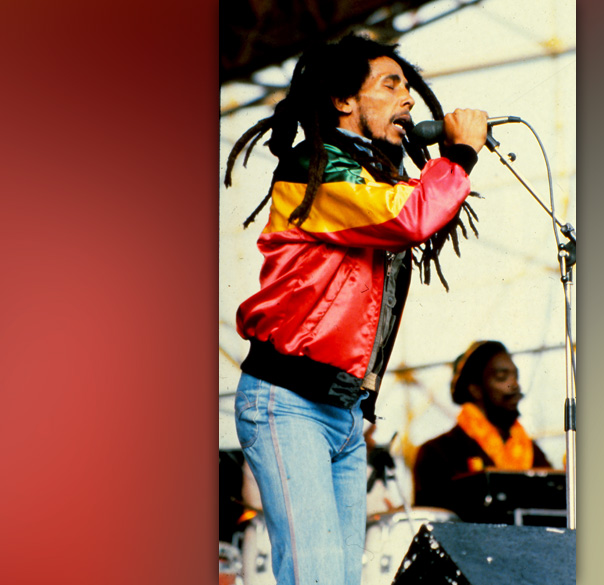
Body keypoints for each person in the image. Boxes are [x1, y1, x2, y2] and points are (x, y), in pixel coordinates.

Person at [223, 32, 488, 585]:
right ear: (344, 100)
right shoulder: (315, 169)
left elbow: (415, 207)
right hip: (289, 402)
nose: (407, 98)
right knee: (318, 577)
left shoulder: (374, 175)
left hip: (343, 413)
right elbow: (412, 215)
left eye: (408, 87)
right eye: (390, 85)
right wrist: (460, 155)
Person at [413, 340, 552, 516]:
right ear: (475, 390)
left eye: (515, 376)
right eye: (502, 377)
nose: (514, 385)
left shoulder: (534, 454)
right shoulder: (437, 454)